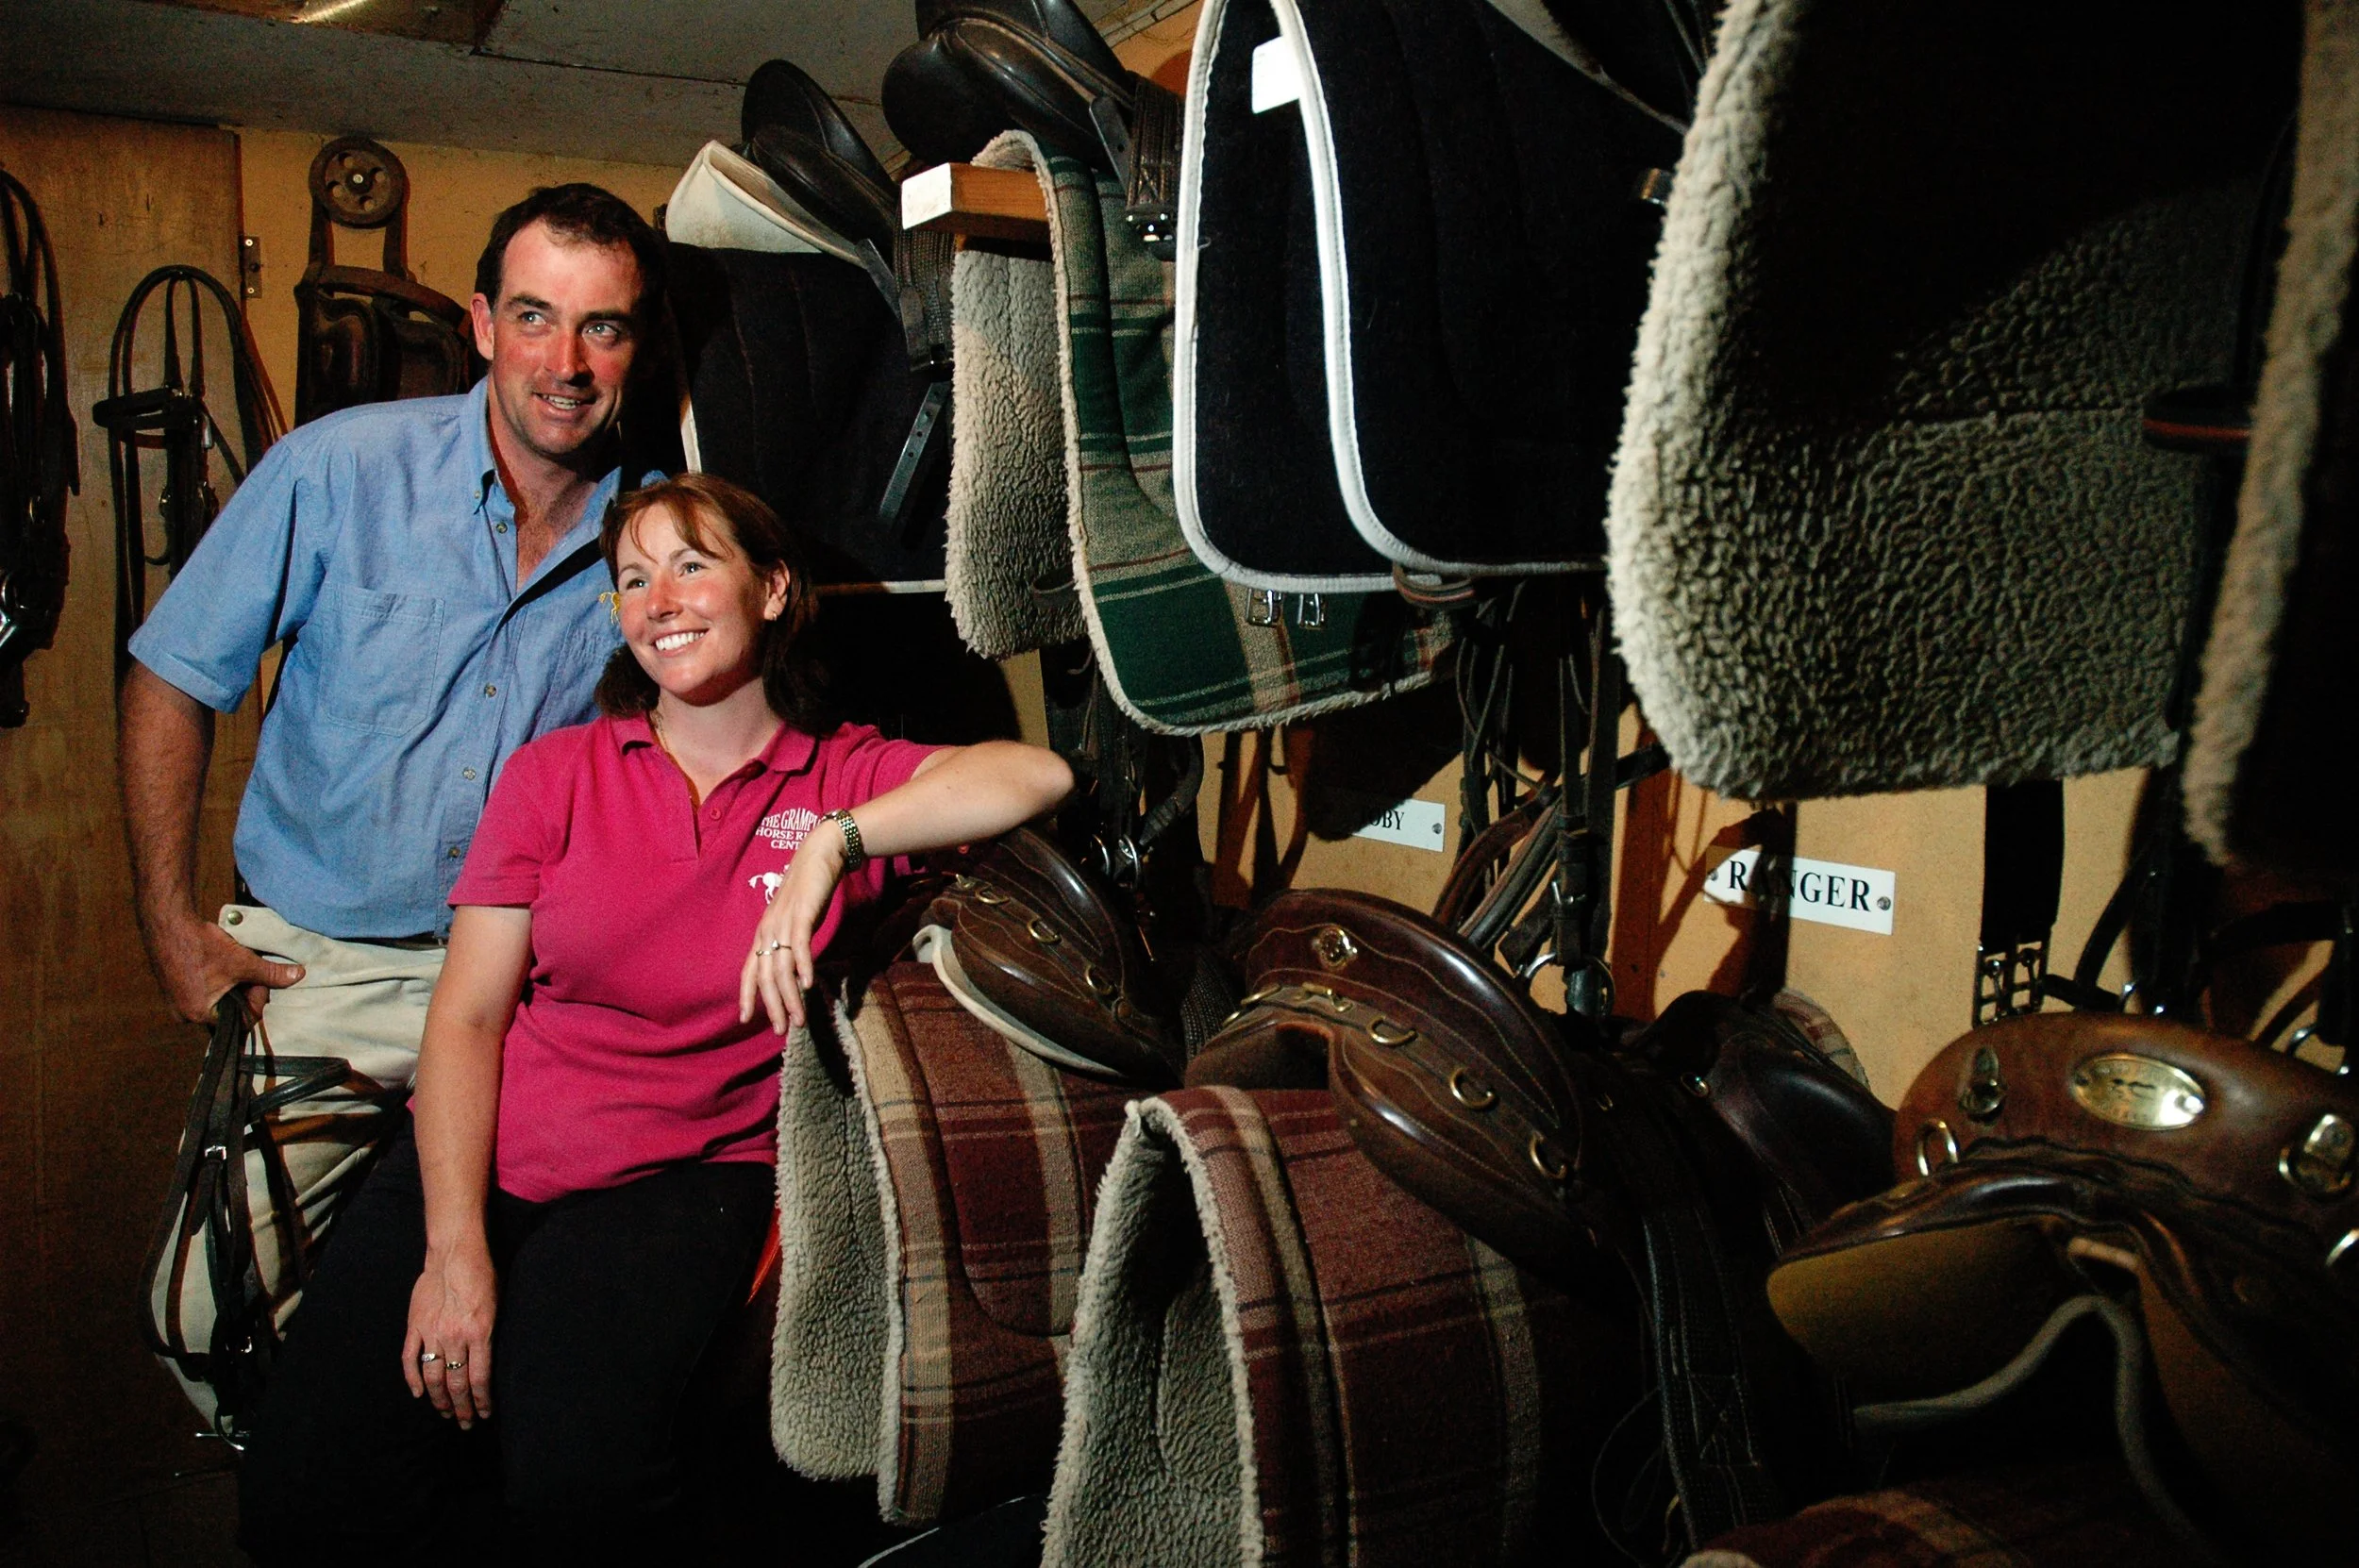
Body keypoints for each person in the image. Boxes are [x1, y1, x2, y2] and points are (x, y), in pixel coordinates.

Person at [235, 473, 1074, 1560]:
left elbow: (1036, 771)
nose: (659, 600)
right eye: (633, 579)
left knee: (573, 1476)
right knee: (306, 1481)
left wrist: (832, 844)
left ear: (772, 589)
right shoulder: (557, 774)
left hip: (685, 1175)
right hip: (490, 1157)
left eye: (691, 565)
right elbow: (470, 1019)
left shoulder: (841, 776)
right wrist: (453, 1253)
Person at [118, 185, 666, 1393]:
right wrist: (169, 923)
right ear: (480, 324)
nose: (566, 364)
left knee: (531, 1312)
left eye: (604, 327)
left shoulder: (660, 524)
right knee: (201, 1314)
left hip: (532, 980)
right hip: (330, 965)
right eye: (535, 317)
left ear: (636, 342)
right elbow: (171, 674)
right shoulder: (338, 470)